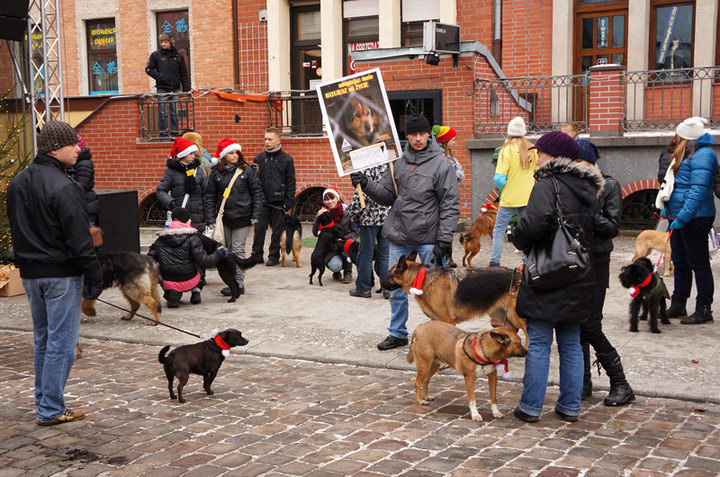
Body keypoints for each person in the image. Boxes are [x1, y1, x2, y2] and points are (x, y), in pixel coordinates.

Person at [7, 120, 103, 426]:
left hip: (32, 274)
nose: (79, 149)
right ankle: (50, 407)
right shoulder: (65, 186)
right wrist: (95, 276)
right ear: (55, 148)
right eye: (73, 144)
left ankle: (46, 402)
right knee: (61, 343)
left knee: (44, 340)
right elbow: (79, 240)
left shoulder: (18, 182)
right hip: (61, 274)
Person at [509, 131, 603, 423]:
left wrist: (516, 236)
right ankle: (570, 406)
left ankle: (531, 407)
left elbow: (533, 224)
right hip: (579, 274)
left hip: (547, 273)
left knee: (538, 342)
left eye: (540, 153)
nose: (536, 157)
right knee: (571, 342)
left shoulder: (547, 184)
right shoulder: (588, 187)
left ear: (553, 156)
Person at [350, 114, 460, 350]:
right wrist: (366, 184)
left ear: (429, 134)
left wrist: (445, 239)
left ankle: (438, 336)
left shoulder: (442, 164)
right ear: (407, 136)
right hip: (398, 235)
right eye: (413, 134)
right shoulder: (397, 162)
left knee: (433, 291)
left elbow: (450, 204)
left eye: (422, 134)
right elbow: (387, 196)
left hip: (429, 237)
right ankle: (397, 332)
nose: (418, 139)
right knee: (397, 288)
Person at [576, 139, 634, 407]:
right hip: (572, 261)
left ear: (593, 162)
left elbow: (612, 227)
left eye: (582, 162)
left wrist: (586, 213)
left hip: (597, 259)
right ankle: (582, 382)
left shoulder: (608, 185)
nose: (578, 167)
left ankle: (620, 382)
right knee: (576, 325)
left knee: (590, 324)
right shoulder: (570, 186)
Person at [663, 117, 716, 324]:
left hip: (696, 216)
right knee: (680, 261)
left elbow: (697, 192)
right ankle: (678, 304)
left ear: (688, 137)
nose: (675, 138)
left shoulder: (704, 155)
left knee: (699, 263)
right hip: (678, 214)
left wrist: (683, 217)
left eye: (679, 135)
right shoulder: (688, 152)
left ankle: (704, 309)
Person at [205, 138, 263, 297]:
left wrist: (255, 214)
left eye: (236, 152)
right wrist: (210, 217)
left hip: (243, 216)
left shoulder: (247, 171)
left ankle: (239, 283)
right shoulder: (215, 173)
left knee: (238, 249)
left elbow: (257, 193)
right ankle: (232, 282)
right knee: (228, 250)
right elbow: (210, 196)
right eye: (231, 153)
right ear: (224, 156)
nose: (235, 155)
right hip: (224, 217)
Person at [148, 207, 228, 307]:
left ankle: (172, 293)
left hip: (168, 281)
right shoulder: (193, 238)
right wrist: (219, 253)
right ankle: (196, 292)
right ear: (187, 220)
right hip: (190, 280)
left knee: (162, 266)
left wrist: (158, 277)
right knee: (197, 261)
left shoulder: (160, 240)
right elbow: (205, 262)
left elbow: (149, 261)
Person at [489, 116, 538, 267]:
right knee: (526, 231)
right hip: (527, 196)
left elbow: (499, 178)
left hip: (509, 198)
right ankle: (526, 260)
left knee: (499, 230)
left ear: (509, 131)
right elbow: (537, 172)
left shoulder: (506, 150)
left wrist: (503, 189)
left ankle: (495, 262)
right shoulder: (532, 148)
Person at [251, 127, 296, 266]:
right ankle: (256, 255)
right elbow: (254, 180)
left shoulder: (286, 159)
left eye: (270, 139)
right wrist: (256, 198)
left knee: (277, 230)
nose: (267, 142)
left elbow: (291, 181)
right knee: (259, 229)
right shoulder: (259, 158)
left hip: (279, 201)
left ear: (278, 140)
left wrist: (289, 202)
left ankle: (273, 256)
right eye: (265, 139)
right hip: (262, 201)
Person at [346, 164, 391, 298]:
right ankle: (388, 288)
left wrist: (350, 212)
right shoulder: (390, 167)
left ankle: (364, 288)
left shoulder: (366, 169)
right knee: (385, 254)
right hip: (387, 217)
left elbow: (360, 196)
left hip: (369, 219)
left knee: (365, 253)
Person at [156, 137, 210, 232]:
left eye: (194, 153)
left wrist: (207, 215)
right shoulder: (171, 172)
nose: (193, 156)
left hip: (198, 216)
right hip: (180, 216)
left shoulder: (198, 171)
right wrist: (172, 203)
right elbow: (161, 191)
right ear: (183, 154)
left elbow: (207, 193)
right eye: (190, 153)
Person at [145, 33, 190, 137]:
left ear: (171, 43)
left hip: (175, 88)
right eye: (162, 42)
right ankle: (164, 133)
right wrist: (160, 77)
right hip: (162, 88)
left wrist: (186, 89)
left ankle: (175, 133)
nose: (163, 44)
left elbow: (183, 73)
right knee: (162, 113)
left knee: (175, 112)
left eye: (165, 42)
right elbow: (148, 69)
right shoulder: (156, 55)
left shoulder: (178, 56)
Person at [312, 187, 358, 282]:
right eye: (326, 199)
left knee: (348, 248)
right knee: (335, 265)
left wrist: (345, 239)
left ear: (337, 198)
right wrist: (317, 217)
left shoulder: (347, 212)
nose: (329, 201)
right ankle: (336, 272)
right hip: (330, 247)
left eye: (332, 198)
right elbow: (315, 233)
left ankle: (348, 272)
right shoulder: (323, 213)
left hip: (345, 243)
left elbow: (356, 231)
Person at [71, 135, 100, 225]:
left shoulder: (83, 163)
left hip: (87, 208)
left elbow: (82, 185)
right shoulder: (80, 162)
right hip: (86, 206)